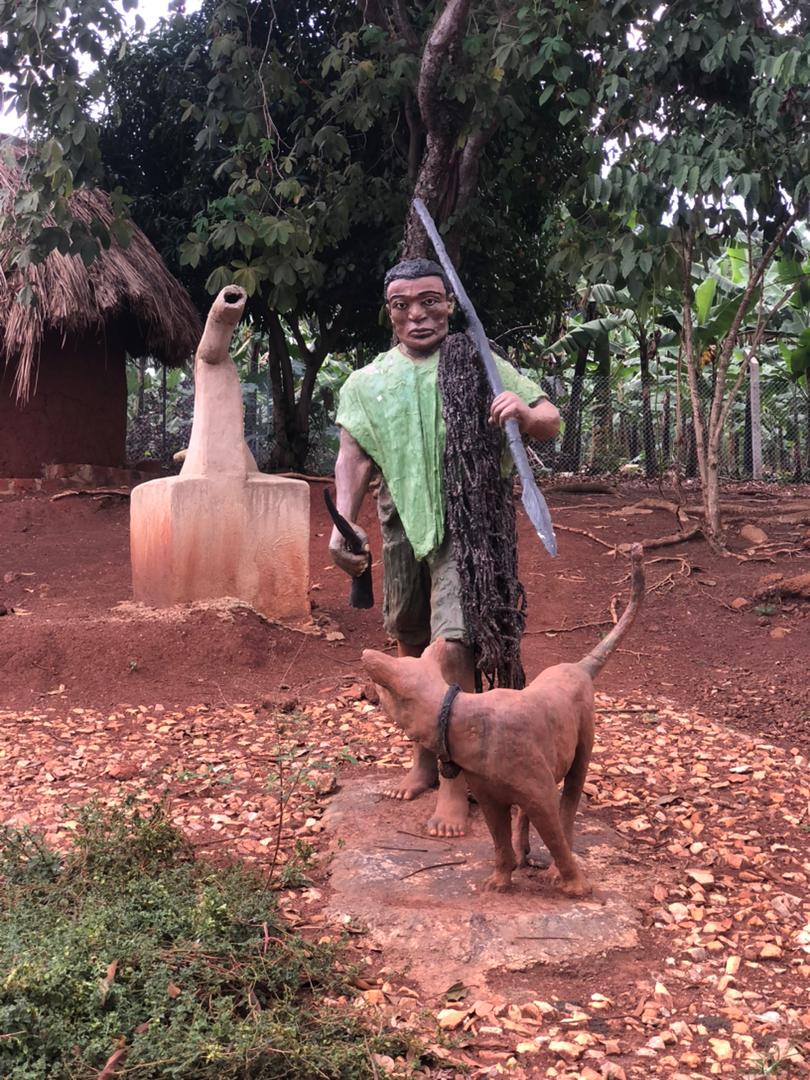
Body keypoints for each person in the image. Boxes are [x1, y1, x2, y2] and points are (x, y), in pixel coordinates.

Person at [329, 258, 560, 837]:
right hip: (401, 518)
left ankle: (458, 783)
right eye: (402, 304)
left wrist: (525, 414)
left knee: (452, 643)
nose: (418, 314)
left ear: (449, 304)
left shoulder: (479, 362)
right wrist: (342, 524)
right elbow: (353, 456)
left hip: (470, 523)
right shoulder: (366, 382)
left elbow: (551, 417)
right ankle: (426, 759)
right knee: (408, 638)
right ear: (389, 313)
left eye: (430, 301)